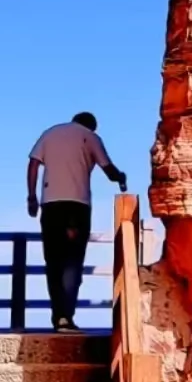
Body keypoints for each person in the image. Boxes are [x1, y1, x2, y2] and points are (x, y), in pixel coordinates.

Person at [27, 112, 127, 331]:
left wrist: (32, 197)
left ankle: (58, 317)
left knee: (53, 263)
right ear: (92, 126)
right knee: (72, 262)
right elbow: (108, 169)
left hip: (50, 205)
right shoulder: (90, 137)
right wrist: (121, 177)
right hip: (76, 206)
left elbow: (33, 164)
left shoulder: (50, 133)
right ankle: (66, 317)